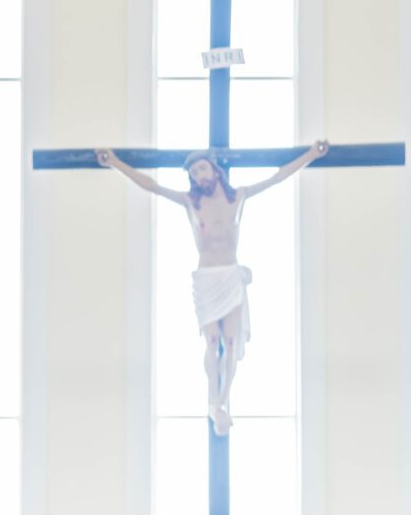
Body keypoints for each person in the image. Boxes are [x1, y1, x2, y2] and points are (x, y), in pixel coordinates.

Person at [96, 141, 328, 433]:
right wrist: (115, 163)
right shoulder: (190, 202)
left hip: (230, 275)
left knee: (230, 343)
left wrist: (311, 155)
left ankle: (221, 402)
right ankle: (212, 402)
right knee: (211, 342)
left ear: (215, 171)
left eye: (201, 169)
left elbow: (278, 177)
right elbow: (149, 185)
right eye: (193, 173)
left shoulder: (238, 197)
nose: (198, 176)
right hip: (206, 278)